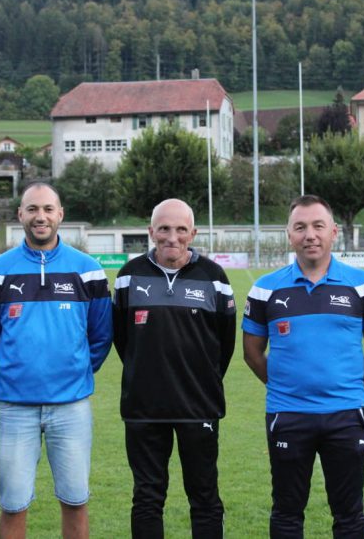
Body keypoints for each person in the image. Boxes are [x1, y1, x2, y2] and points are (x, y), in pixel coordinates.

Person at [243, 195, 364, 539]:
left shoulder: (362, 285)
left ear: (334, 232)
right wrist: (285, 385)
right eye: (300, 227)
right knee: (287, 511)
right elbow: (252, 352)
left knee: (349, 513)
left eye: (318, 226)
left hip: (346, 414)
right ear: (289, 235)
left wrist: (347, 385)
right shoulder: (265, 289)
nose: (310, 234)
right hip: (288, 413)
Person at [0, 182, 113, 539]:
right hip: (14, 408)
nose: (41, 217)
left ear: (60, 215)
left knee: (75, 499)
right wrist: (19, 367)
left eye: (48, 209)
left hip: (71, 407)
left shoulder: (88, 270)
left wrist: (76, 369)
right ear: (20, 214)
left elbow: (101, 335)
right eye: (33, 209)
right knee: (13, 504)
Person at [113, 198, 236, 539]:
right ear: (151, 232)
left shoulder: (215, 277)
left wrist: (201, 379)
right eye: (164, 228)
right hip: (143, 407)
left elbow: (224, 345)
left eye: (181, 229)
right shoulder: (128, 277)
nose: (172, 236)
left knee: (205, 497)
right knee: (148, 498)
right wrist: (145, 373)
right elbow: (123, 341)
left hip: (199, 406)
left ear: (193, 232)